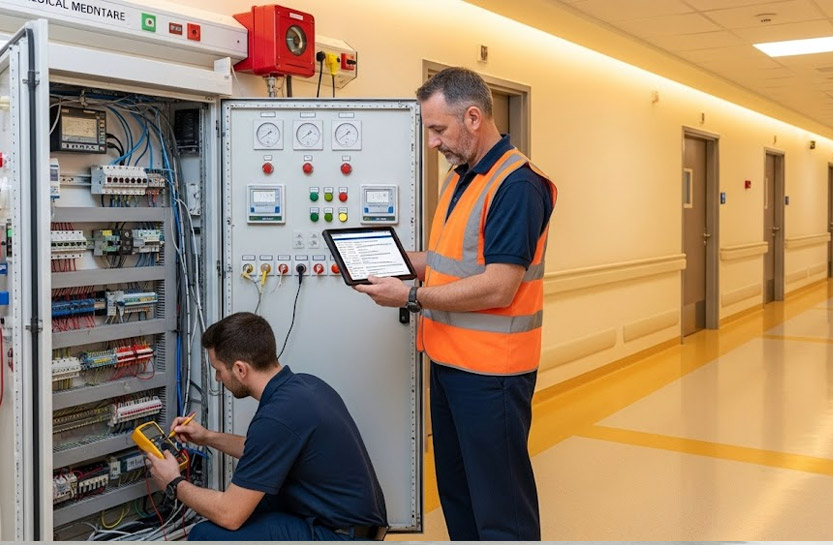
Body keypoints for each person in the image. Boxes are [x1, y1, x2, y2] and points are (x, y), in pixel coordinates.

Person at [354, 67, 556, 540]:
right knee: (459, 495)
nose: (432, 143)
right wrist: (394, 260)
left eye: (437, 130)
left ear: (472, 118)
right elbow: (449, 260)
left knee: (501, 506)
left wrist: (408, 294)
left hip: (493, 376)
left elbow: (499, 285)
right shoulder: (461, 177)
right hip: (448, 364)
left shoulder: (517, 185)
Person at [145, 312, 388, 541]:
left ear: (240, 369)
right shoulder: (304, 387)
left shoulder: (277, 417)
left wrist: (173, 483)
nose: (218, 379)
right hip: (355, 525)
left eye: (218, 370)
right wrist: (207, 437)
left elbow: (230, 515)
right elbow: (264, 449)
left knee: (205, 535)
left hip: (340, 536)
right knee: (252, 505)